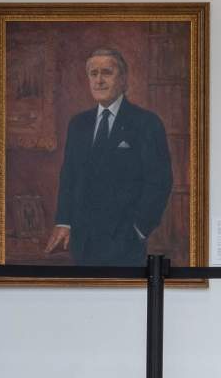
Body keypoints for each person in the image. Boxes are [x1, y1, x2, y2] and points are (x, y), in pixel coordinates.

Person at [44, 47, 173, 266]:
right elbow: (69, 177)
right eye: (93, 74)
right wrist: (64, 222)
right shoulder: (78, 124)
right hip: (82, 243)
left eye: (107, 72)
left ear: (123, 79)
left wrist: (139, 230)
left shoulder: (146, 123)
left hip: (125, 244)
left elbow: (159, 182)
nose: (99, 80)